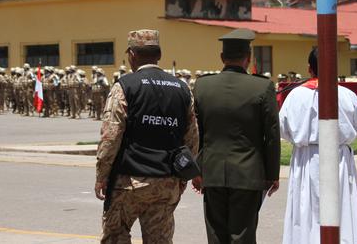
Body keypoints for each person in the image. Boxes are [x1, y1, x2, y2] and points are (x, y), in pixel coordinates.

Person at [95, 29, 199, 243]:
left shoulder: (124, 86)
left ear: (132, 55)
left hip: (129, 182)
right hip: (165, 181)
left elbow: (111, 136)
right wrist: (182, 176)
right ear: (158, 55)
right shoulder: (181, 88)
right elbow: (191, 138)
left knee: (115, 237)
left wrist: (102, 176)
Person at [193, 28, 280, 243]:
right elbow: (271, 135)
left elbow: (196, 133)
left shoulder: (203, 85)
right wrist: (272, 174)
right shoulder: (262, 86)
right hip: (248, 173)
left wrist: (196, 169)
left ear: (222, 57)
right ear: (248, 58)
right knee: (242, 234)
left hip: (212, 172)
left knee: (215, 234)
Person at [279, 48, 357, 244]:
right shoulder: (346, 95)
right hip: (338, 159)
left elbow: (283, 128)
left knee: (305, 210)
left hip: (306, 157)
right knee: (340, 208)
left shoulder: (295, 96)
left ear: (310, 69)